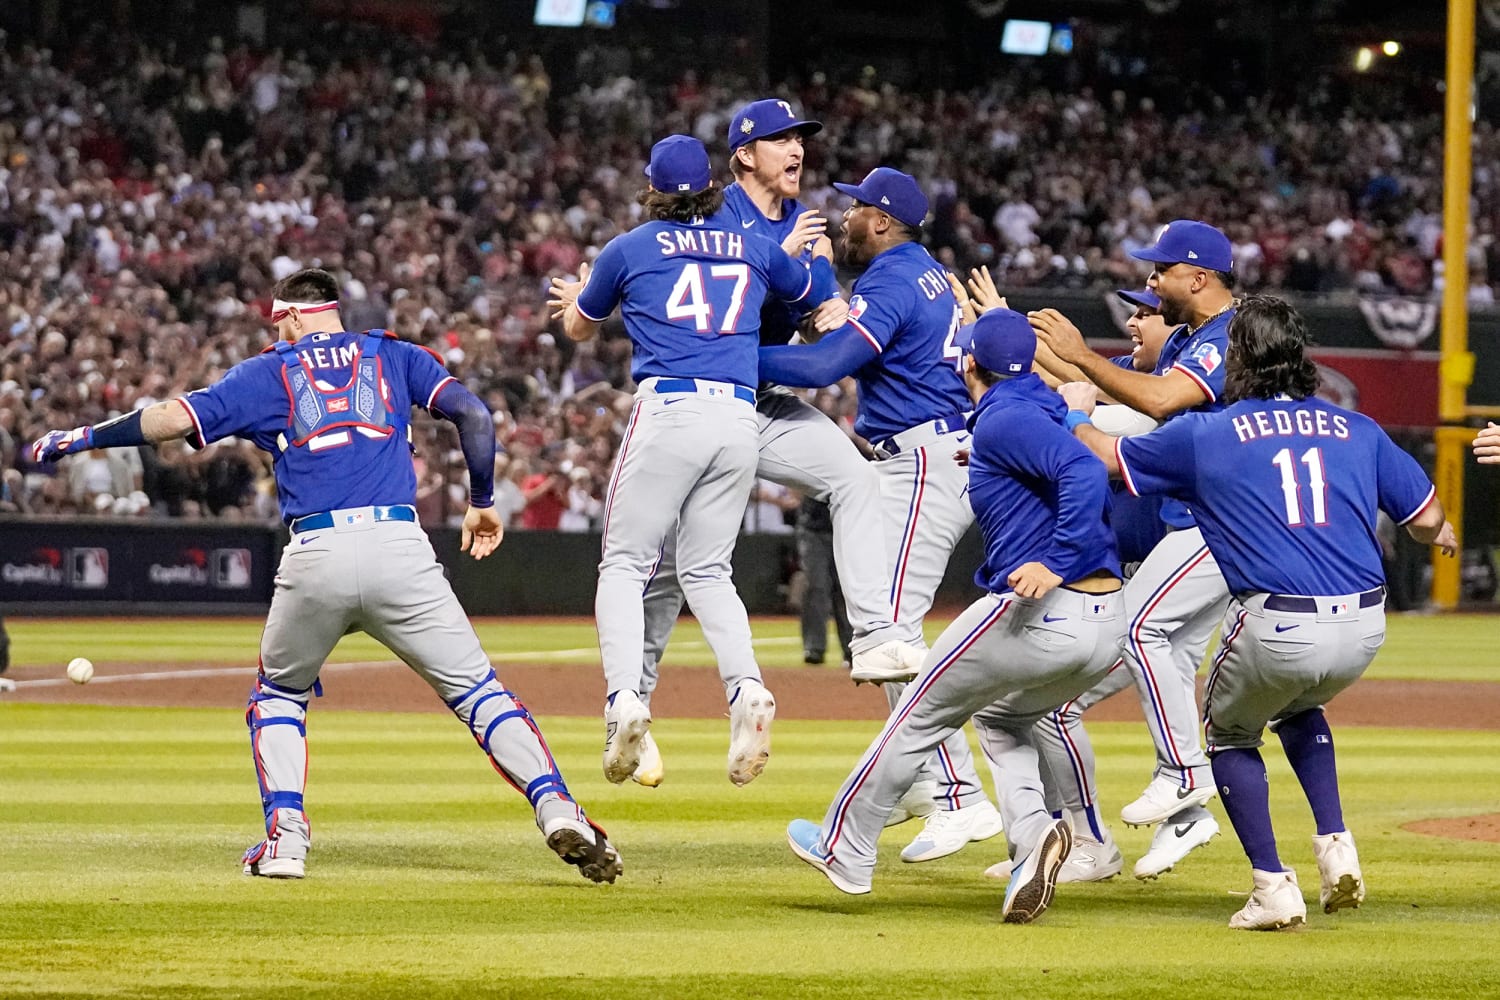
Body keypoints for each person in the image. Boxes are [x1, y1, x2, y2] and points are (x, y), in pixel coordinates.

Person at [29, 267, 622, 884]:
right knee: (479, 694)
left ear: (287, 316)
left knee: (279, 694)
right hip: (400, 546)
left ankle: (286, 842)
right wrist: (480, 499)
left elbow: (171, 420)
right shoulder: (395, 354)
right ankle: (556, 806)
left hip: (316, 550)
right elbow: (473, 415)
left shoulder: (268, 372)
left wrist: (84, 438)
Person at [1062, 293, 1456, 929]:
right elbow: (1429, 521)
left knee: (1229, 735)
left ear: (1235, 358)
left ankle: (1272, 887)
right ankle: (1335, 845)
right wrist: (1436, 535)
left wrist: (1073, 416)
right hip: (1365, 626)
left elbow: (1107, 459)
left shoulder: (1208, 432)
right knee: (1300, 705)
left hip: (1277, 622)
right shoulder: (1357, 427)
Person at [785, 308, 1125, 925]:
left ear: (967, 363)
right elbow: (1066, 451)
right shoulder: (1037, 408)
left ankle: (845, 847)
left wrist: (1054, 559)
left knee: (917, 713)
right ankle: (1033, 839)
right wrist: (1070, 414)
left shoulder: (1010, 418)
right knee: (1001, 720)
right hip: (1106, 622)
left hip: (1045, 607)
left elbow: (1082, 469)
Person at [630, 100, 923, 788]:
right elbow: (673, 303)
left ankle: (874, 636)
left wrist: (831, 302)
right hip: (698, 406)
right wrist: (769, 263)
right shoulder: (708, 213)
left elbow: (824, 332)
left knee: (853, 479)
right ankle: (633, 711)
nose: (796, 149)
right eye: (779, 139)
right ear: (743, 155)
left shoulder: (808, 228)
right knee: (674, 574)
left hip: (758, 403)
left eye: (800, 139)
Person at [548, 134, 842, 788]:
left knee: (625, 564)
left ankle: (625, 698)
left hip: (670, 409)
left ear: (651, 188)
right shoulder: (754, 246)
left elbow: (578, 327)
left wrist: (578, 301)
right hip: (738, 417)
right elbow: (802, 293)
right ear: (713, 189)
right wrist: (793, 256)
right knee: (710, 573)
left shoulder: (628, 246)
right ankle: (745, 691)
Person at [759, 166, 1004, 863]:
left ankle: (957, 797)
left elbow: (828, 363)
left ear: (884, 221)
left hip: (923, 462)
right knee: (885, 634)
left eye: (856, 208)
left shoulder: (894, 280)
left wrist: (725, 357)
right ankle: (927, 784)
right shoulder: (919, 271)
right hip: (928, 456)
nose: (845, 216)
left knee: (889, 634)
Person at [1030, 220, 1236, 844]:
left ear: (1197, 278)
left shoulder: (1231, 336)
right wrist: (1018, 335)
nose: (1149, 282)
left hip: (1220, 520)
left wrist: (1079, 354)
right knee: (1159, 644)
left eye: (1160, 271)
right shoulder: (1197, 337)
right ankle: (1187, 806)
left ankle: (1183, 772)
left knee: (1140, 629)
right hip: (1203, 521)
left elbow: (1162, 401)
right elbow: (1090, 388)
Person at [796, 496, 853, 668]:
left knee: (845, 591)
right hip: (813, 528)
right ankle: (814, 648)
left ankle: (852, 649)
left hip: (846, 528)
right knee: (816, 586)